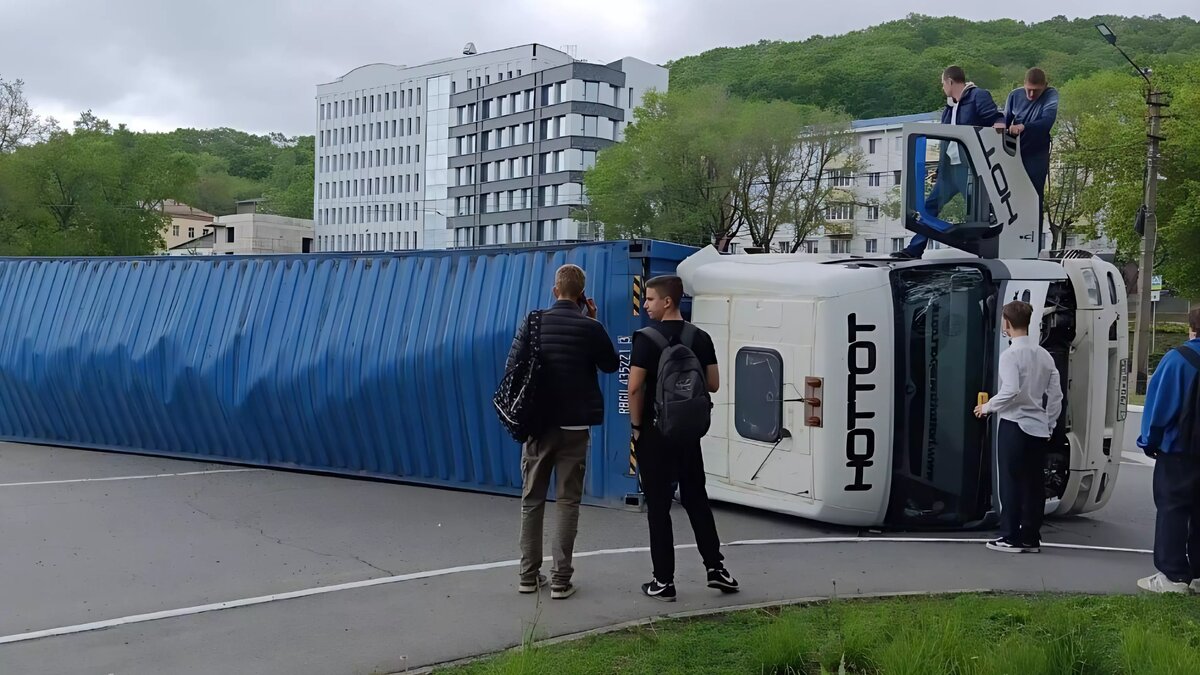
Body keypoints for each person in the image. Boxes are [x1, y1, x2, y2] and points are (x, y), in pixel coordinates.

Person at [507, 264, 619, 599]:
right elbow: (611, 365)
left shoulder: (533, 320)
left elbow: (512, 366)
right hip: (574, 426)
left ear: (555, 290)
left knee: (532, 501)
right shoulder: (590, 327)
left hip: (538, 426)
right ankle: (560, 581)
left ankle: (528, 577)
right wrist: (594, 321)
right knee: (567, 502)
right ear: (582, 295)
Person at [628, 275, 738, 601]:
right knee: (697, 500)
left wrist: (636, 428)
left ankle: (664, 581)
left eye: (649, 299)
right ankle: (716, 568)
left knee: (659, 509)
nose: (645, 305)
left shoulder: (645, 339)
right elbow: (714, 384)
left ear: (667, 301)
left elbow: (634, 387)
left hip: (654, 433)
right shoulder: (699, 337)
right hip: (689, 435)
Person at [974, 300, 1063, 553]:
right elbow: (1056, 395)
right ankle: (1030, 537)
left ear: (1007, 323)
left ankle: (1010, 536)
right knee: (1033, 485)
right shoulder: (1043, 355)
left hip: (1014, 425)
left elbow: (1010, 390)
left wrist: (987, 407)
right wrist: (1050, 422)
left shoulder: (1010, 355)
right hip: (1038, 428)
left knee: (1011, 482)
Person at [894, 66, 1006, 260]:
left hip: (968, 168)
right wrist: (939, 168)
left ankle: (994, 248)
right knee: (929, 208)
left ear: (950, 82)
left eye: (942, 84)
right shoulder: (949, 108)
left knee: (979, 210)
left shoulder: (978, 96)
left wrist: (999, 124)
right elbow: (945, 140)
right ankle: (913, 251)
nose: (942, 88)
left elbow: (994, 117)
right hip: (949, 170)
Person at [1136, 308, 1200, 593]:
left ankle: (1173, 576)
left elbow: (1159, 408)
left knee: (1173, 509)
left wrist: (1149, 441)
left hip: (1179, 450)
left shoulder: (1178, 360)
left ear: (1192, 328)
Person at [1003, 68, 1059, 245]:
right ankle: (1009, 238)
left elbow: (1046, 122)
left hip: (1036, 152)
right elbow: (1004, 120)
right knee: (1008, 196)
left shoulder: (1051, 95)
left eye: (1036, 90)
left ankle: (1032, 244)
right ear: (1023, 84)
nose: (1032, 94)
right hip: (1014, 152)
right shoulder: (1014, 96)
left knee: (1034, 197)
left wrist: (1023, 127)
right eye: (1028, 89)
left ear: (1045, 87)